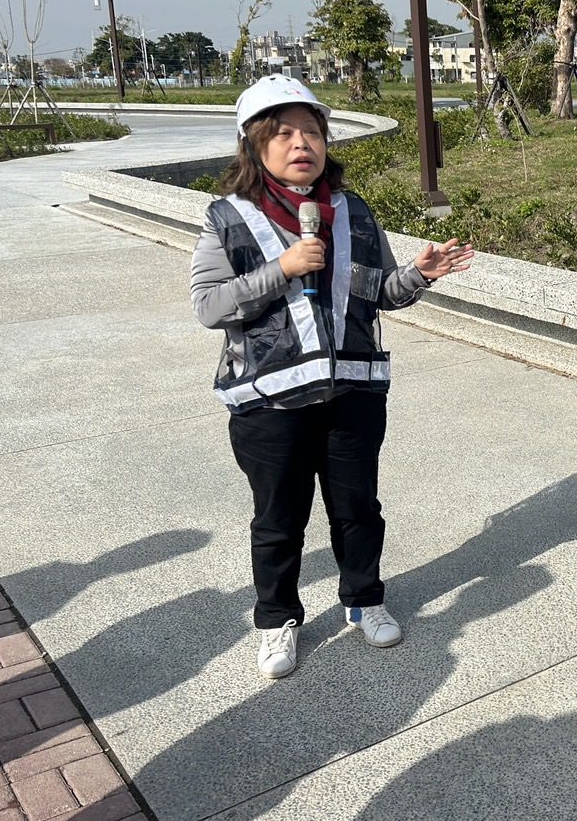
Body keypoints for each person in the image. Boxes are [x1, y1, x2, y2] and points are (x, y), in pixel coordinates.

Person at [191, 74, 473, 680]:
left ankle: (364, 600)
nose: (302, 144)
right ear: (255, 145)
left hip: (352, 392)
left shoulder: (354, 211)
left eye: (312, 132)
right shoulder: (227, 218)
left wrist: (420, 273)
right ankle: (276, 619)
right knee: (278, 518)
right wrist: (282, 268)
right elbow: (209, 307)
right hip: (270, 403)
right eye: (285, 133)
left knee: (357, 508)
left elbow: (378, 293)